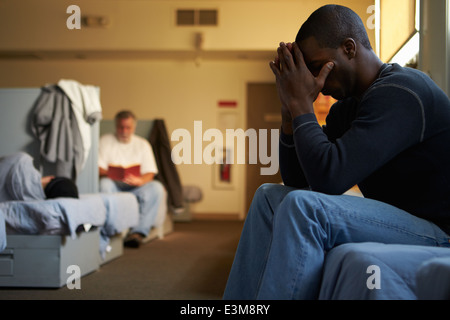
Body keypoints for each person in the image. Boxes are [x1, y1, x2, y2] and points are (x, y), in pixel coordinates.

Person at [223, 4, 450, 300]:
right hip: (404, 221)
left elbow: (329, 179)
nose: (316, 80)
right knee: (269, 197)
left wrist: (302, 104)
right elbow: (298, 180)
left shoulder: (401, 91)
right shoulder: (346, 110)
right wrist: (290, 112)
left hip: (439, 233)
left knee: (305, 209)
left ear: (349, 48)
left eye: (317, 66)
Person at [98, 110, 165, 248]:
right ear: (116, 126)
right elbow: (98, 168)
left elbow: (150, 173)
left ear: (134, 127)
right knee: (104, 184)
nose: (124, 131)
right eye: (120, 127)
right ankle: (112, 228)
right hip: (114, 184)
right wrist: (112, 173)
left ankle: (137, 233)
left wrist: (140, 181)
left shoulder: (143, 144)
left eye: (128, 127)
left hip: (136, 186)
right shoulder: (104, 141)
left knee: (156, 188)